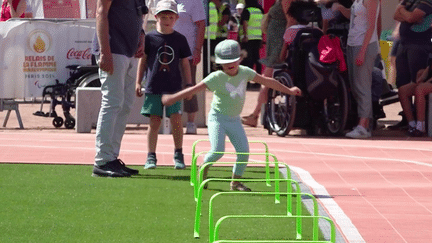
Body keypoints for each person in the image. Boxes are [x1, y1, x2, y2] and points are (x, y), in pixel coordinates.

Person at [161, 39, 301, 191]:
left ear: (240, 59)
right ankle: (203, 170)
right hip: (218, 119)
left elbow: (267, 81)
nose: (230, 65)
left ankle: (235, 183)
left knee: (243, 153)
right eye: (225, 62)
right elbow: (193, 90)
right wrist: (172, 98)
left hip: (234, 120)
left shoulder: (245, 72)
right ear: (219, 63)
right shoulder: (216, 78)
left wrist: (290, 90)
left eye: (233, 60)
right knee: (217, 151)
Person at [91, 0, 147, 177]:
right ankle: (102, 160)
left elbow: (137, 13)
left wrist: (141, 35)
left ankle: (111, 157)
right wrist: (105, 52)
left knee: (125, 105)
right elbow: (101, 13)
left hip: (128, 51)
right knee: (113, 103)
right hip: (113, 49)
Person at [135, 0, 192, 170]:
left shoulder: (180, 39)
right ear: (156, 16)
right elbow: (143, 61)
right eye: (163, 16)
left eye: (170, 16)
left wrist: (189, 84)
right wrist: (138, 82)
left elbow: (185, 64)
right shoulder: (150, 38)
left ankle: (178, 154)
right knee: (154, 121)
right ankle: (151, 156)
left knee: (176, 120)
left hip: (174, 89)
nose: (166, 19)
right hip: (154, 87)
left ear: (176, 18)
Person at [241, 0, 294, 127]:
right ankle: (256, 114)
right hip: (276, 44)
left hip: (279, 45)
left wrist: (284, 47)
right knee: (266, 78)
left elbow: (291, 21)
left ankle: (255, 114)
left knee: (266, 79)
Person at [333, 0, 381, 139]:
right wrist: (341, 8)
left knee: (362, 86)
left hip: (364, 46)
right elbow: (352, 15)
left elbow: (371, 26)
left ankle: (363, 126)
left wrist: (362, 51)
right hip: (353, 43)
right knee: (355, 86)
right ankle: (365, 124)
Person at [391, 0, 432, 131]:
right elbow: (395, 16)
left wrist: (402, 11)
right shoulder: (409, 2)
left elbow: (411, 17)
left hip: (418, 47)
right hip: (403, 45)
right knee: (402, 83)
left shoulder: (426, 2)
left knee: (417, 82)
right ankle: (409, 122)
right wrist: (405, 13)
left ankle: (422, 121)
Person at [173, 0, 206, 134]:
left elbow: (201, 24)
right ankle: (171, 121)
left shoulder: (194, 1)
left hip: (188, 52)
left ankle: (191, 122)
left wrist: (197, 49)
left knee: (189, 84)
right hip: (167, 52)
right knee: (169, 86)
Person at [398, 63, 432, 136]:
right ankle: (412, 125)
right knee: (402, 90)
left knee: (420, 89)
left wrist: (427, 81)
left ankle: (420, 127)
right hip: (428, 81)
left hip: (429, 82)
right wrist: (422, 77)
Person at [203, 0, 231, 77]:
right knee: (211, 57)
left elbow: (223, 21)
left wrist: (215, 26)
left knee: (217, 57)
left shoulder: (224, 8)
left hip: (221, 36)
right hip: (214, 36)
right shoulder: (212, 7)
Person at [239, 0, 264, 75]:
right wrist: (261, 37)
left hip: (249, 38)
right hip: (258, 37)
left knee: (249, 59)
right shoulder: (260, 10)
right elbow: (262, 25)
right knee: (257, 58)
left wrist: (245, 36)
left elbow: (245, 24)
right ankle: (259, 77)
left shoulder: (247, 10)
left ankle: (248, 78)